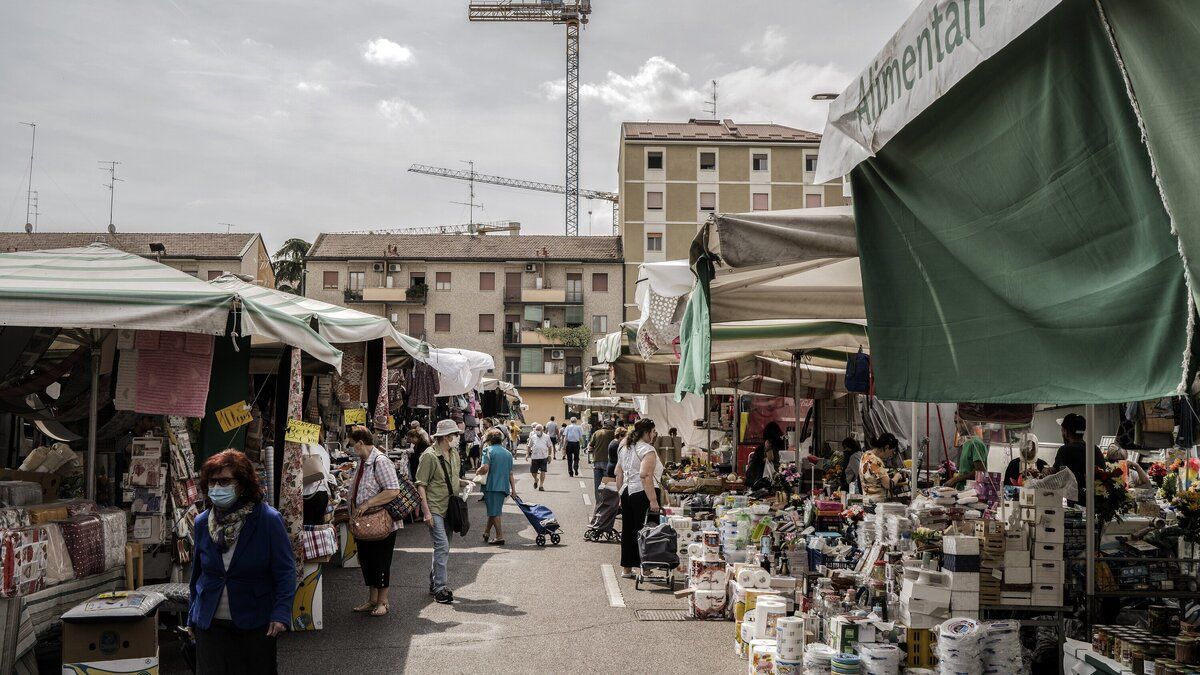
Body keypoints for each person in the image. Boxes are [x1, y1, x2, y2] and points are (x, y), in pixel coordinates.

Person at [188, 449, 294, 674]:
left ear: (243, 484)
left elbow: (285, 571)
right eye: (212, 482)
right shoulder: (202, 523)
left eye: (224, 481)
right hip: (209, 624)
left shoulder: (267, 520)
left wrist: (281, 612)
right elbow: (197, 575)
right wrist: (192, 616)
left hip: (255, 622)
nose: (216, 487)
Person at [346, 426, 402, 617]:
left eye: (353, 445)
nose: (352, 449)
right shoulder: (363, 462)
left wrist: (367, 503)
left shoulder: (380, 461)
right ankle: (372, 600)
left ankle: (383, 602)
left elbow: (393, 490)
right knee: (367, 560)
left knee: (381, 560)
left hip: (380, 520)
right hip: (365, 522)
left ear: (361, 443)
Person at [415, 419, 468, 605]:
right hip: (435, 507)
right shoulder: (429, 456)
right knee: (443, 547)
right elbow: (421, 485)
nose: (457, 439)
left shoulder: (454, 454)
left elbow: (451, 478)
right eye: (455, 435)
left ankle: (433, 582)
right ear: (446, 436)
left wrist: (464, 482)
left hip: (450, 509)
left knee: (441, 548)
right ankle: (440, 587)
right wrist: (426, 512)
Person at [613, 419, 663, 579]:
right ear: (647, 432)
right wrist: (653, 500)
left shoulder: (624, 447)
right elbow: (645, 475)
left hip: (627, 490)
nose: (655, 435)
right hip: (643, 492)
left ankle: (627, 568)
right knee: (646, 530)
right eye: (653, 431)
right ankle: (646, 568)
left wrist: (621, 494)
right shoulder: (647, 449)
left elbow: (618, 472)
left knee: (628, 530)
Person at [1051, 413, 1106, 504]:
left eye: (1062, 430)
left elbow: (1055, 475)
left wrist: (1045, 470)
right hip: (1095, 502)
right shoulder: (1094, 449)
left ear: (1066, 432)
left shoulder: (1064, 450)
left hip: (1075, 502)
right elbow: (1103, 473)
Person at [477, 428, 518, 545]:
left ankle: (500, 536)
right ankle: (486, 532)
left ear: (489, 440)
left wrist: (477, 472)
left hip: (491, 485)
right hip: (503, 486)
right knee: (494, 510)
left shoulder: (487, 451)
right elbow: (510, 473)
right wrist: (513, 490)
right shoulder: (508, 453)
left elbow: (485, 467)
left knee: (494, 512)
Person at [860, 433, 903, 500]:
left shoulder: (865, 455)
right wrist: (897, 476)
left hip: (867, 499)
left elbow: (872, 477)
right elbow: (888, 485)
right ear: (886, 447)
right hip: (878, 503)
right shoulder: (875, 461)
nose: (891, 455)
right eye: (892, 451)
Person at [301, 442, 335, 526]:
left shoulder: (300, 448)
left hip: (308, 494)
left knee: (307, 529)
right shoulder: (321, 448)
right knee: (318, 528)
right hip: (323, 491)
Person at [948, 424, 989, 489]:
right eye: (955, 422)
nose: (957, 426)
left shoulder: (976, 444)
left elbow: (979, 472)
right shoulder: (966, 443)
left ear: (971, 422)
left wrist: (955, 479)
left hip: (972, 492)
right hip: (963, 490)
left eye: (961, 422)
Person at [589, 421, 616, 495]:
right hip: (607, 462)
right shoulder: (613, 434)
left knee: (597, 485)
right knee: (607, 485)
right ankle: (606, 503)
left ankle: (598, 503)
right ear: (611, 427)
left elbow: (590, 447)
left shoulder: (596, 433)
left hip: (597, 461)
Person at [527, 423, 553, 490]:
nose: (537, 431)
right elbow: (529, 446)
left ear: (542, 430)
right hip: (535, 457)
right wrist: (527, 454)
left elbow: (550, 446)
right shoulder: (533, 437)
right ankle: (536, 479)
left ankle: (541, 486)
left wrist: (549, 455)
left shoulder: (546, 437)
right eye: (536, 429)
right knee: (533, 472)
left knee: (543, 471)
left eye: (539, 429)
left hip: (544, 457)